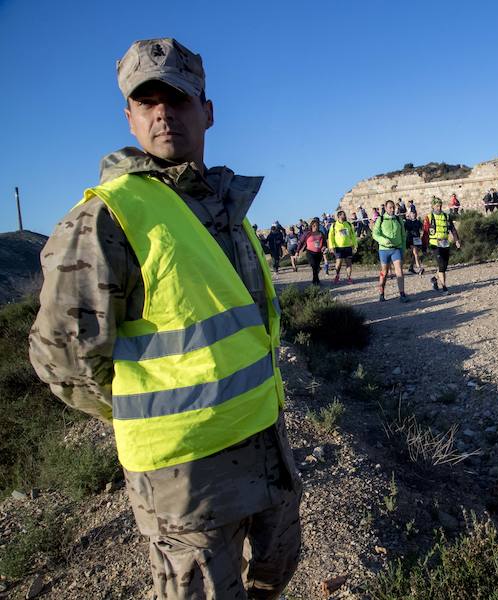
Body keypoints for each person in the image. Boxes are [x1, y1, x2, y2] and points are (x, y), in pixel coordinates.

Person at [28, 38, 301, 598]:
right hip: (185, 480)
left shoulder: (224, 207)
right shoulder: (106, 217)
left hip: (264, 446)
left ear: (208, 110)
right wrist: (140, 408)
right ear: (128, 118)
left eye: (177, 97)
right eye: (146, 100)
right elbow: (62, 359)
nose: (162, 111)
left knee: (275, 575)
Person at [372, 200, 409, 302]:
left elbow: (403, 235)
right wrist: (384, 240)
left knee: (399, 271)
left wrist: (403, 249)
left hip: (396, 248)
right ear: (386, 208)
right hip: (384, 250)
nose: (392, 209)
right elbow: (375, 234)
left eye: (393, 207)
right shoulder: (381, 219)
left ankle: (402, 294)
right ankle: (381, 292)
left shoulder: (398, 219)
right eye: (390, 207)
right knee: (384, 272)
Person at [422, 197, 461, 294]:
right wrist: (424, 246)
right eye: (437, 206)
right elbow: (426, 233)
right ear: (433, 206)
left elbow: (452, 229)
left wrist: (457, 240)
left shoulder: (446, 216)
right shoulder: (428, 217)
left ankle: (434, 279)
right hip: (435, 244)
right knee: (441, 265)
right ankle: (444, 287)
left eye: (440, 206)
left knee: (444, 266)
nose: (439, 208)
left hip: (445, 243)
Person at [329, 209, 358, 284]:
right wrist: (331, 246)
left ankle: (349, 278)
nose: (344, 216)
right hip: (338, 247)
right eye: (343, 214)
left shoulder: (348, 224)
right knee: (338, 263)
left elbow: (353, 236)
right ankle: (337, 276)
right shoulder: (334, 225)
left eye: (344, 214)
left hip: (348, 246)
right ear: (338, 216)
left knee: (349, 263)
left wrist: (355, 245)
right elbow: (331, 236)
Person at [300, 218, 327, 285]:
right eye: (314, 225)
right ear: (311, 226)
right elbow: (301, 242)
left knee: (317, 267)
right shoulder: (308, 234)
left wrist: (324, 246)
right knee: (314, 266)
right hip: (310, 252)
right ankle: (316, 281)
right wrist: (297, 251)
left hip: (319, 253)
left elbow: (324, 242)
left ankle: (315, 281)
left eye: (317, 225)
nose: (316, 227)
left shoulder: (321, 234)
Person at [405, 208, 425, 274]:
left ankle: (411, 267)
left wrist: (422, 236)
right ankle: (419, 268)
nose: (414, 214)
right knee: (416, 253)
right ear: (410, 214)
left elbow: (422, 230)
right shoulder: (407, 222)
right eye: (412, 213)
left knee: (414, 254)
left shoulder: (418, 222)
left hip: (417, 240)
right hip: (410, 239)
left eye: (415, 213)